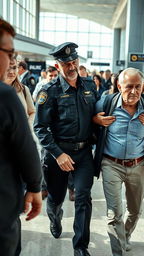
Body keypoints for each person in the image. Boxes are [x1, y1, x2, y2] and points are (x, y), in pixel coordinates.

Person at [34, 42, 98, 256]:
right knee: (55, 198)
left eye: (74, 62)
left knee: (83, 196)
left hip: (83, 153)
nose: (71, 67)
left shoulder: (90, 86)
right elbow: (40, 128)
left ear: (78, 62)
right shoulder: (48, 91)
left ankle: (80, 246)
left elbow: (95, 115)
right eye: (66, 63)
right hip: (57, 154)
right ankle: (54, 217)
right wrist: (58, 154)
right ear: (57, 65)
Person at [93, 67, 144, 256]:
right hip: (111, 164)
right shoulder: (106, 103)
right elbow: (91, 126)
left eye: (137, 87)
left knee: (135, 211)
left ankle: (125, 235)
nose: (133, 92)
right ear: (119, 85)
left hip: (138, 165)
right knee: (114, 214)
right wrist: (96, 121)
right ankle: (118, 251)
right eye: (128, 86)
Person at [0, 18, 42, 256]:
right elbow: (27, 151)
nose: (10, 60)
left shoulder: (19, 90)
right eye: (9, 52)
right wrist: (35, 187)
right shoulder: (5, 97)